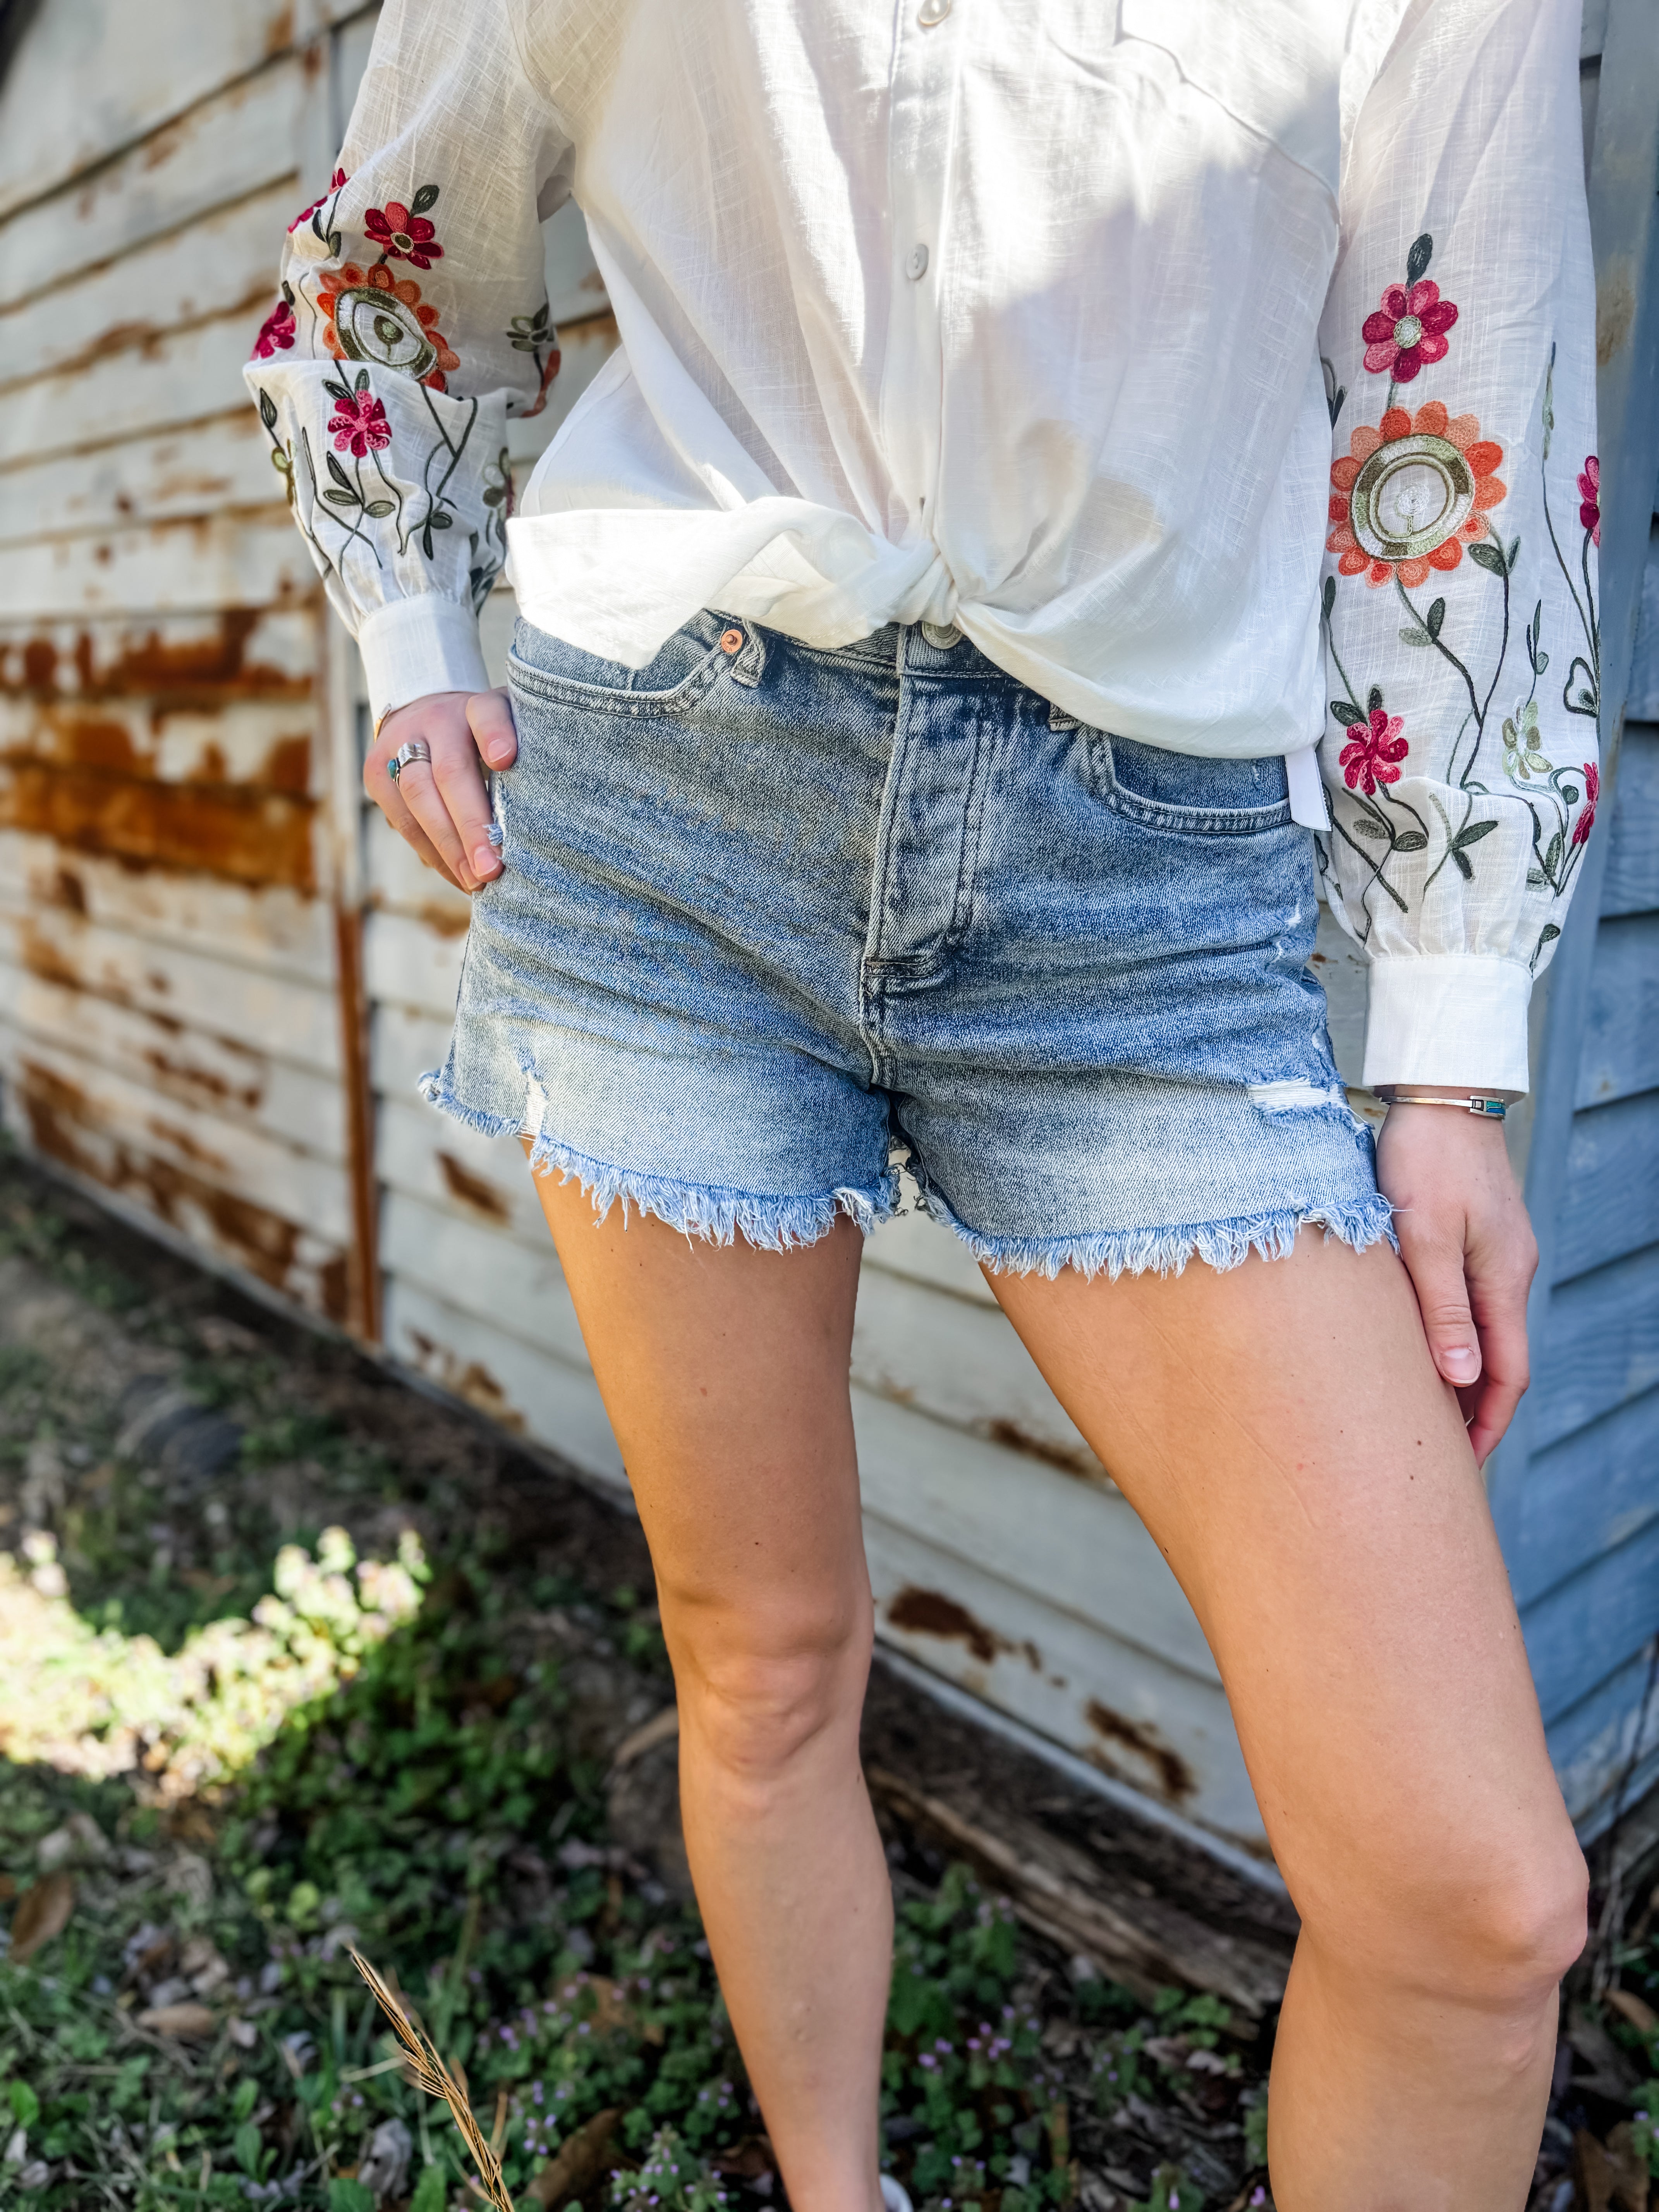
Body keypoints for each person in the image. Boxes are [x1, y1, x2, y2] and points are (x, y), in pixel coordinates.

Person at [247, 1, 1601, 2200]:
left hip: (1147, 894)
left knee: (1476, 1908)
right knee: (764, 1653)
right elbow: (405, 226)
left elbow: (1469, 397)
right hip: (677, 805)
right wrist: (412, 638)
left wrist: (1446, 1054)